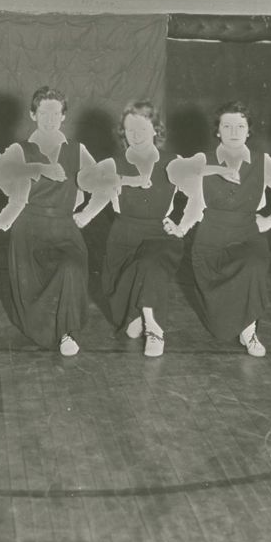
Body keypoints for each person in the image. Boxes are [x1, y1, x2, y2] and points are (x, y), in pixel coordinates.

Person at [166, 100, 271, 357]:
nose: (234, 131)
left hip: (248, 233)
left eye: (240, 126)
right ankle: (231, 322)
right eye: (227, 126)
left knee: (254, 264)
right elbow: (173, 171)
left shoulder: (263, 162)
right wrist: (215, 171)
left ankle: (250, 330)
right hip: (211, 239)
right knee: (220, 327)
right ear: (218, 131)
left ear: (249, 131)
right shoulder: (205, 160)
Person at [0, 86, 96, 357]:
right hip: (29, 231)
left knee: (71, 267)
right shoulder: (21, 149)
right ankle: (46, 329)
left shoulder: (77, 150)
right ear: (33, 115)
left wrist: (88, 211)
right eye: (44, 112)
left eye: (56, 113)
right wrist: (39, 168)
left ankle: (67, 332)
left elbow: (101, 180)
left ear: (64, 116)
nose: (50, 118)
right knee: (35, 298)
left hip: (65, 228)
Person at [71, 100, 185, 357]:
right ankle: (135, 314)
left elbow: (200, 190)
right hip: (123, 235)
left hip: (161, 234)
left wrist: (184, 224)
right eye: (129, 129)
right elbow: (87, 182)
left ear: (156, 129)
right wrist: (89, 213)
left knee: (149, 267)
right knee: (120, 303)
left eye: (142, 128)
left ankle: (155, 329)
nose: (136, 135)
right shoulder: (114, 163)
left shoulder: (173, 162)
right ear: (123, 132)